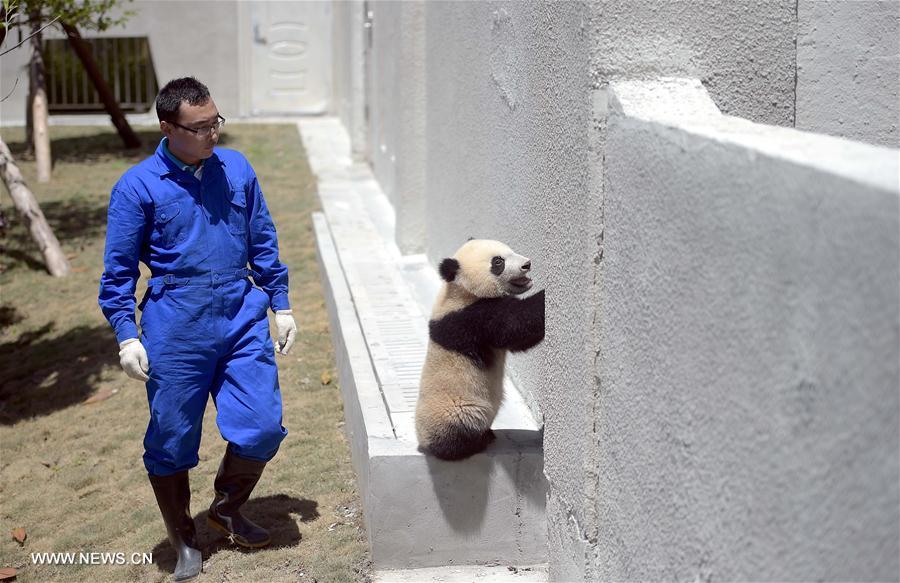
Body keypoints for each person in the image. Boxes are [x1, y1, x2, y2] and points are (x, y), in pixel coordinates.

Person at [98, 77, 297, 581]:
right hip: (175, 322)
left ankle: (226, 508)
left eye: (216, 122)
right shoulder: (138, 186)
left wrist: (281, 303)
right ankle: (183, 537)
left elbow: (263, 236)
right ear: (168, 128)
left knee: (262, 425)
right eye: (201, 126)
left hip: (241, 312)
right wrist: (126, 334)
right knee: (172, 437)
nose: (213, 133)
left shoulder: (237, 168)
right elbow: (118, 274)